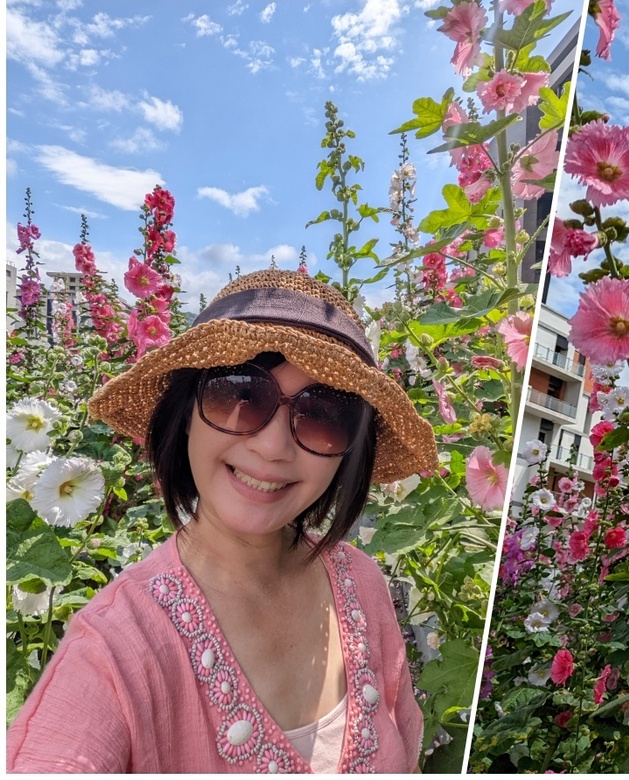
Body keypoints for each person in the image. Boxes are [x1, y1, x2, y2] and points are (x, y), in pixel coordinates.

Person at [7, 269, 437, 772]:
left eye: (323, 414)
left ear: (350, 454)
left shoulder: (364, 585)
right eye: (239, 393)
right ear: (185, 411)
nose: (272, 448)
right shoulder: (114, 652)